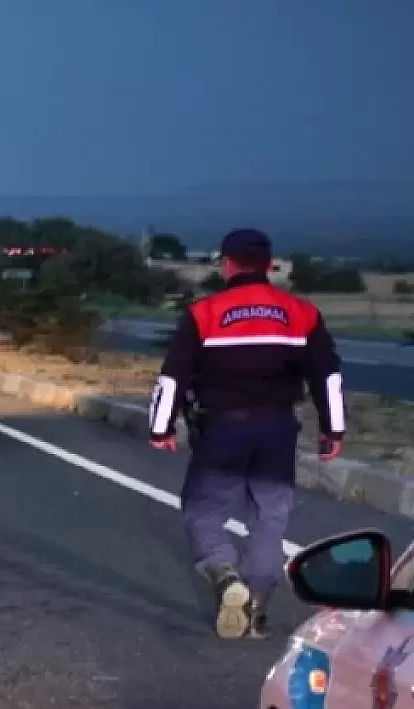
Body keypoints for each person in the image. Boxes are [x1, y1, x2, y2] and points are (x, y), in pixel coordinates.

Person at [148, 228, 344, 640]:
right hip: (277, 428)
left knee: (204, 511)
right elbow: (328, 377)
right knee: (269, 518)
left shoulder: (205, 313)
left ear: (227, 264)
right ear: (268, 265)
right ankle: (257, 607)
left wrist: (160, 427)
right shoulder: (301, 313)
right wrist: (333, 429)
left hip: (222, 427)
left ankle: (223, 573)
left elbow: (172, 377)